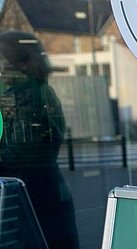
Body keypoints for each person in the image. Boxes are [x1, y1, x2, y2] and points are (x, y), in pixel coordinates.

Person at [0, 31, 80, 249]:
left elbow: (18, 154)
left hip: (33, 199)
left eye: (1, 59)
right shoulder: (40, 92)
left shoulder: (24, 98)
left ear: (22, 64)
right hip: (46, 194)